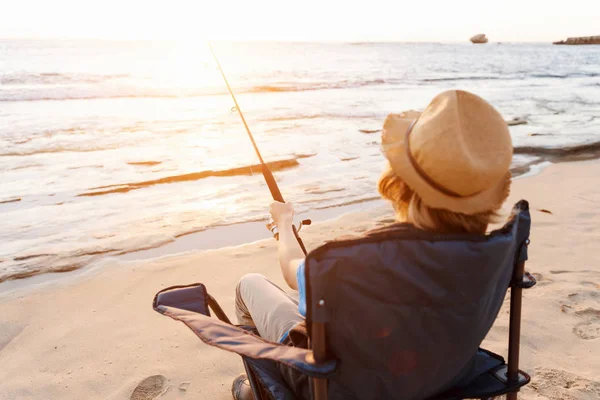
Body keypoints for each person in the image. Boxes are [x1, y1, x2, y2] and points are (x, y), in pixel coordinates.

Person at [232, 89, 513, 399]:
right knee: (306, 299)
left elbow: (291, 268)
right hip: (439, 375)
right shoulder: (493, 254)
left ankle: (261, 389)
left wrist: (284, 224)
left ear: (401, 184)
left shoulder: (355, 263)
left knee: (250, 285)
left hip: (332, 386)